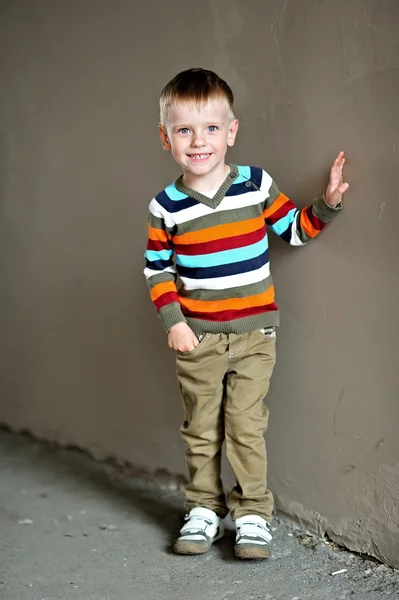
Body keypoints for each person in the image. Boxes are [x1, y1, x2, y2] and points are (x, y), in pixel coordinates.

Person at [144, 68, 349, 560]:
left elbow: (295, 231)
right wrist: (174, 323)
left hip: (256, 335)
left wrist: (328, 204)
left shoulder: (254, 184)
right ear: (166, 137)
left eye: (211, 128)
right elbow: (157, 271)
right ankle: (203, 509)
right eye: (185, 130)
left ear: (231, 132)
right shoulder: (165, 206)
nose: (199, 141)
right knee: (200, 428)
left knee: (245, 425)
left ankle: (253, 514)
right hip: (199, 339)